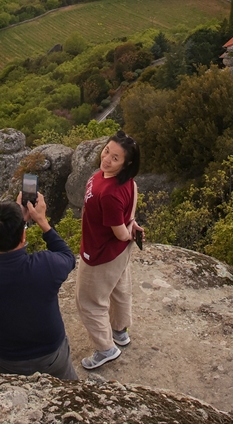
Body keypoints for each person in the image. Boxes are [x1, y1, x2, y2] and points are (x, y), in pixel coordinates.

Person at [0, 191, 78, 379]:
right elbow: (67, 256)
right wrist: (41, 221)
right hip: (50, 357)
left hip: (1, 359)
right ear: (24, 236)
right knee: (73, 391)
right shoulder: (46, 266)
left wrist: (11, 227)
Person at [75, 130, 143, 370]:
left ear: (126, 163)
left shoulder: (111, 193)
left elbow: (120, 233)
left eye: (115, 158)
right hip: (117, 253)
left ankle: (106, 349)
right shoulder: (123, 181)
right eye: (106, 151)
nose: (106, 159)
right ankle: (120, 332)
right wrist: (131, 223)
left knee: (89, 301)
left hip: (101, 253)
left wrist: (128, 232)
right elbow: (131, 207)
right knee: (119, 289)